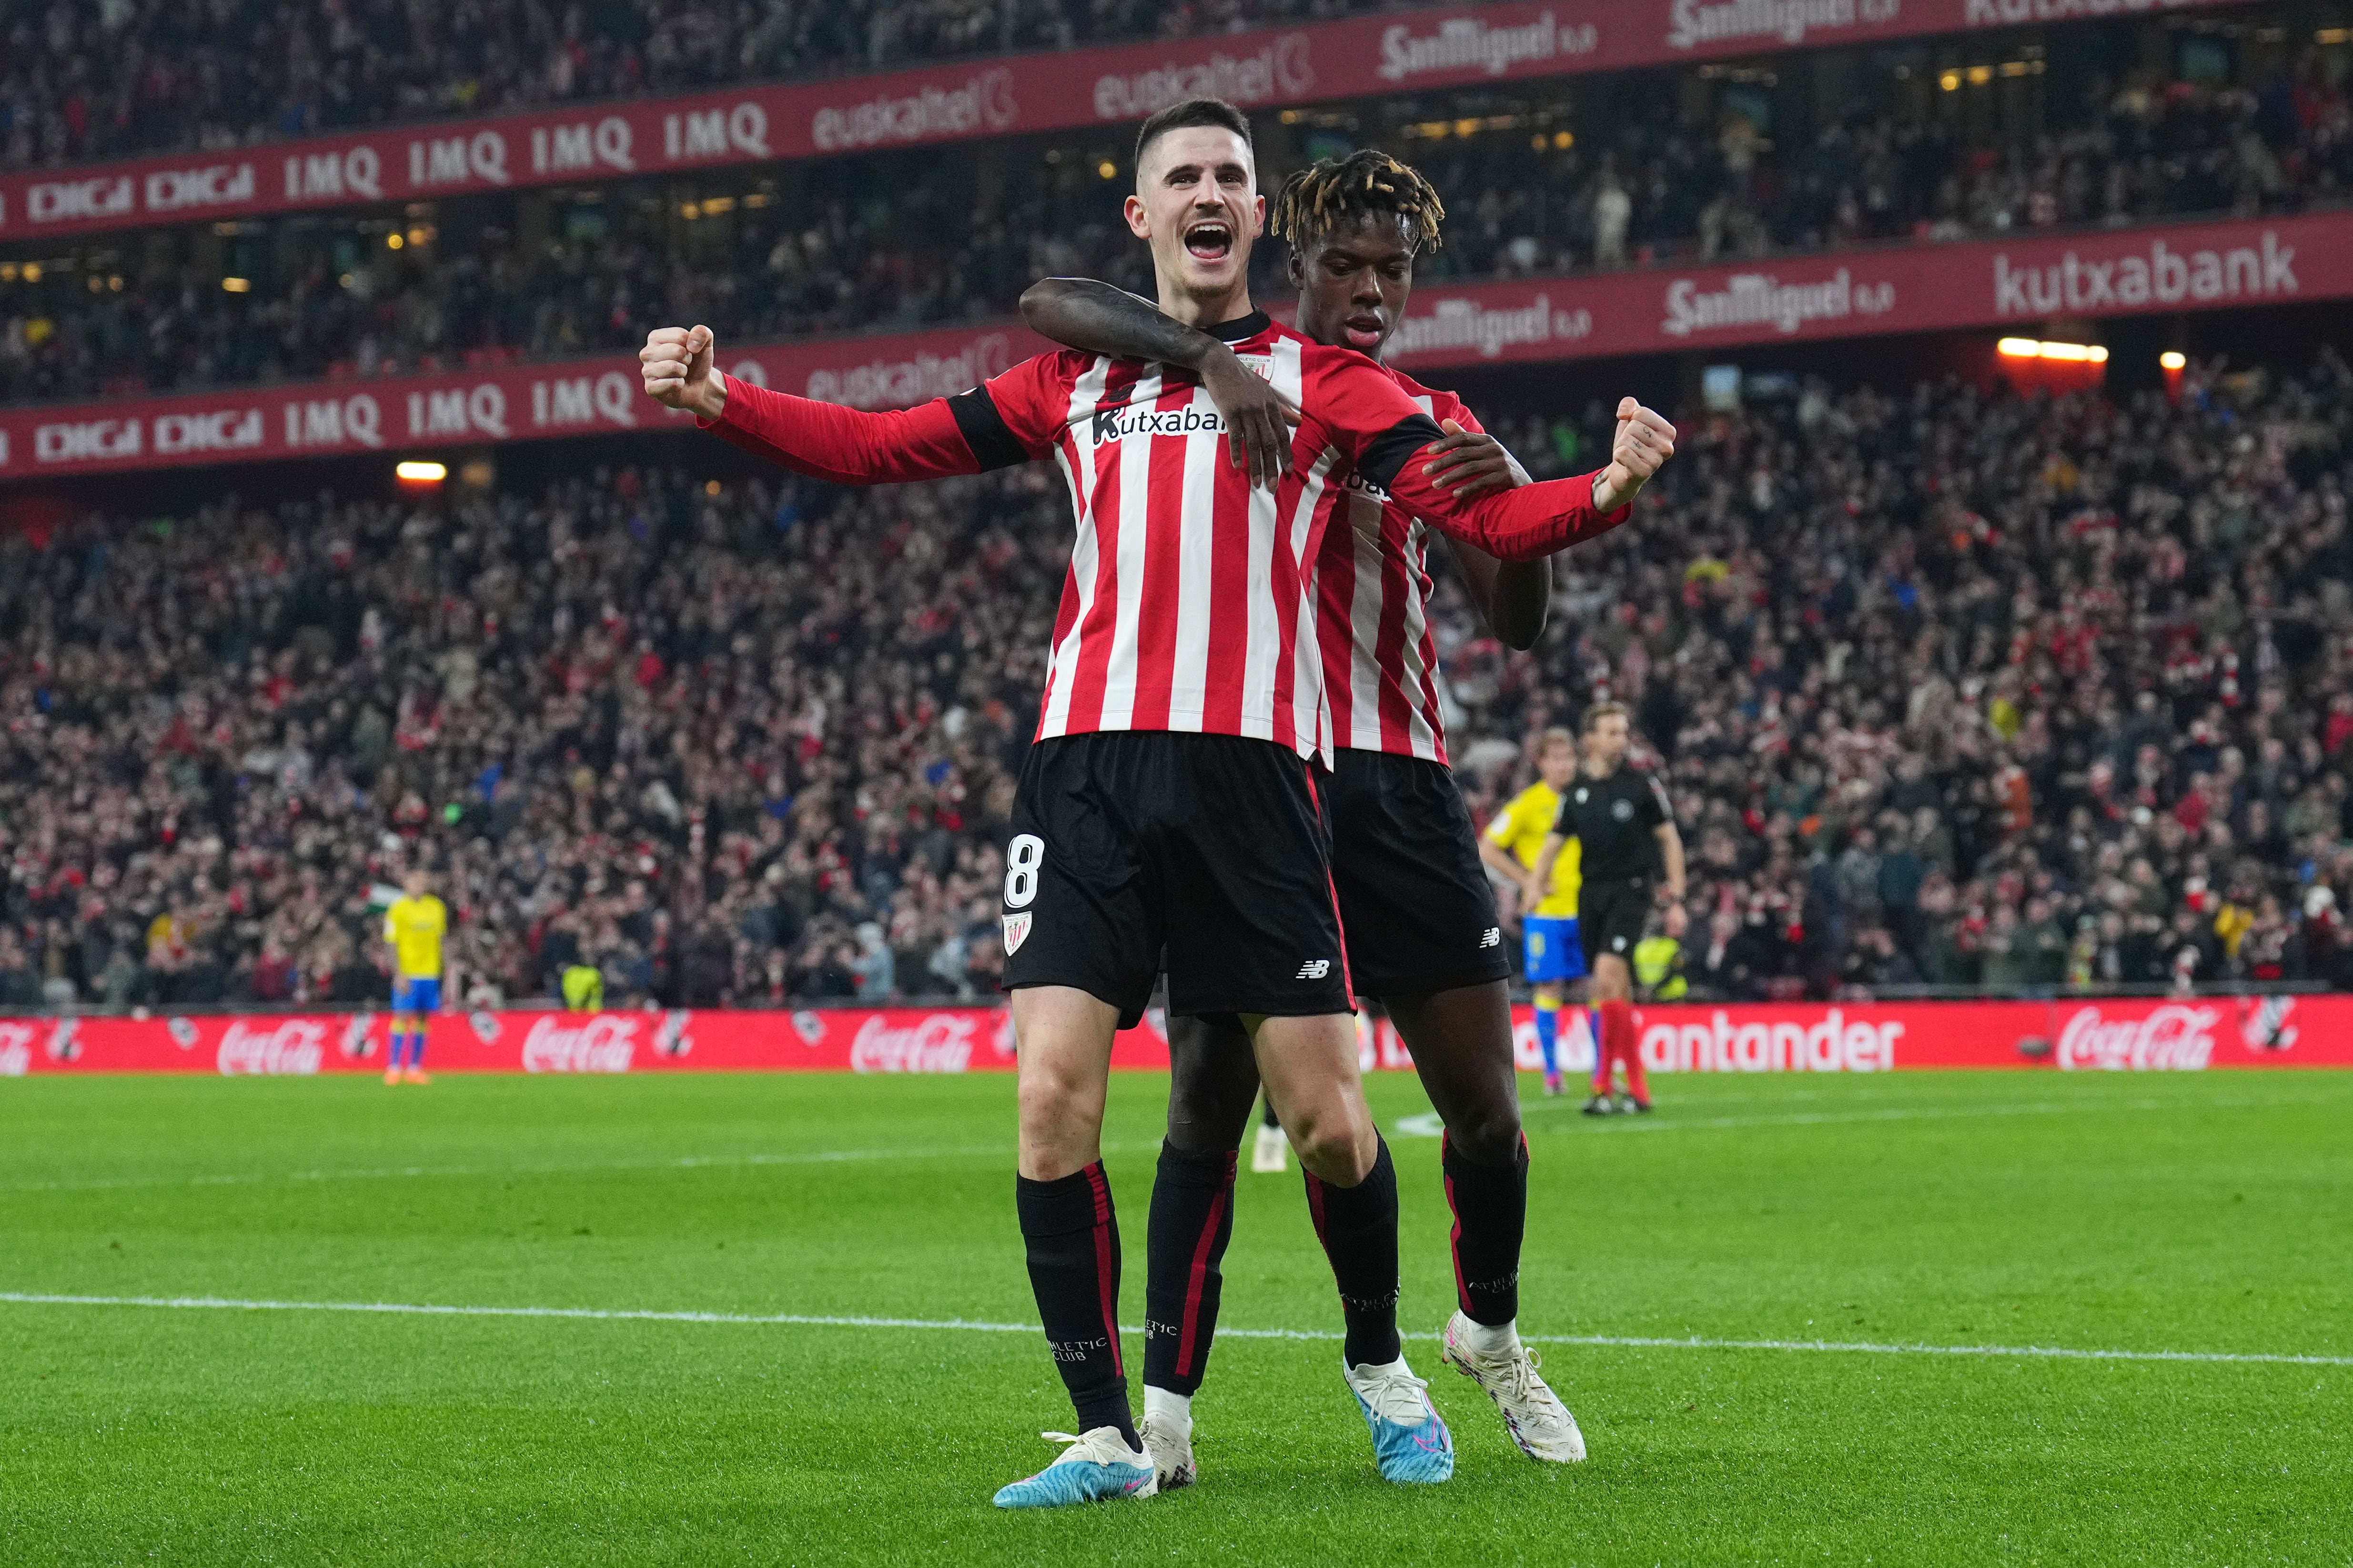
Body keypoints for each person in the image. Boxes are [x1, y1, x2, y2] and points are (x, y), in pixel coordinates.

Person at [642, 96, 1672, 1509]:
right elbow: (884, 444)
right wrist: (725, 399)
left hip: (1257, 771)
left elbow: (1483, 522)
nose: (1205, 193)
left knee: (1323, 1120)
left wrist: (1602, 490)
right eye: (1179, 175)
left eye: (1228, 179)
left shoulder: (1327, 384)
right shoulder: (1075, 375)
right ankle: (1108, 1428)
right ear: (1143, 215)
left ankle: (1382, 1354)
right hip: (1083, 766)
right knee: (1053, 1090)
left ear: (1257, 218)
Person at [1019, 147, 1636, 1486]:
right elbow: (1057, 304)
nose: (1365, 290)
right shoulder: (1238, 373)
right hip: (1262, 770)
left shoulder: (1414, 409)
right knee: (1207, 1104)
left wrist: (1515, 477)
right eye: (1342, 268)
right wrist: (1211, 366)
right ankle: (1162, 1418)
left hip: (1400, 785)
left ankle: (1488, 1331)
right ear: (1294, 267)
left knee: (1480, 1103)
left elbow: (1514, 615)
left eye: (1389, 273)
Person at [1528, 704, 1686, 1114]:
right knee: (1617, 991)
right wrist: (1533, 884)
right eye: (1612, 732)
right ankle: (1638, 1089)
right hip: (1590, 893)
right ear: (1590, 740)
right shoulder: (1576, 790)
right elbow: (1553, 842)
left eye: (1624, 732)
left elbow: (1669, 840)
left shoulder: (1641, 785)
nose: (1621, 739)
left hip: (1631, 891)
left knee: (1605, 979)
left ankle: (1600, 1086)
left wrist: (1676, 897)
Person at [1480, 727, 1586, 1096]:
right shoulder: (1528, 804)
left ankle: (1602, 1072)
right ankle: (1553, 1073)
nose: (1564, 765)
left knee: (1597, 986)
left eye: (1569, 757)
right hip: (1546, 912)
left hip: (1587, 909)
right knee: (1550, 986)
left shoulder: (1586, 798)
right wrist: (1527, 881)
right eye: (1555, 758)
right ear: (1541, 763)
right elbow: (1488, 847)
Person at [381, 868, 449, 1086]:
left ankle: (414, 1068)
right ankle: (393, 1067)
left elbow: (442, 941)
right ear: (406, 884)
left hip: (430, 972)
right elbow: (390, 943)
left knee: (422, 1018)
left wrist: (446, 971)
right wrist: (398, 973)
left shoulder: (437, 908)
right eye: (414, 881)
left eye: (422, 881)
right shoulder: (398, 909)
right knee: (401, 1015)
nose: (419, 885)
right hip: (408, 972)